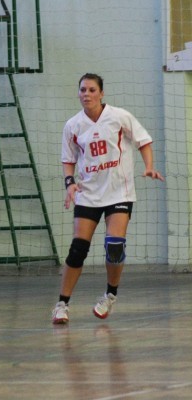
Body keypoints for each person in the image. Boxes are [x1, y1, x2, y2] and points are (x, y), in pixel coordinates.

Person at [52, 73, 164, 324]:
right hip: (88, 194)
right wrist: (69, 183)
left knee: (114, 246)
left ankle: (110, 295)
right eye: (83, 90)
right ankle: (62, 304)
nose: (87, 94)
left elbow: (143, 141)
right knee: (78, 250)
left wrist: (149, 166)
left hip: (118, 192)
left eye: (92, 90)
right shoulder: (73, 125)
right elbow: (68, 160)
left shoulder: (119, 116)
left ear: (101, 93)